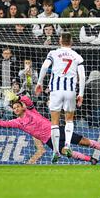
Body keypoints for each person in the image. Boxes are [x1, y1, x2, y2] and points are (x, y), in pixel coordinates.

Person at [0, 94, 100, 164]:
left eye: (17, 106)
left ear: (22, 107)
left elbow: (28, 100)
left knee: (85, 142)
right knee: (66, 152)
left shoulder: (31, 111)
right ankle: (90, 160)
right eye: (14, 108)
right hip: (49, 140)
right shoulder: (17, 122)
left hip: (58, 130)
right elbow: (3, 124)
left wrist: (17, 97)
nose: (16, 109)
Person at [35, 32, 86, 163]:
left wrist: (39, 82)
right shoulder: (77, 56)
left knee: (54, 122)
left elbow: (45, 66)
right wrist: (81, 93)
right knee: (69, 120)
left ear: (60, 40)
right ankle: (68, 145)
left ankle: (57, 150)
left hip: (56, 91)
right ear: (72, 42)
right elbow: (82, 76)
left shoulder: (53, 53)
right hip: (70, 91)